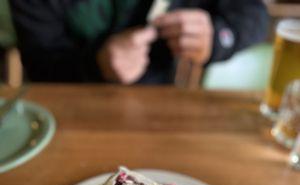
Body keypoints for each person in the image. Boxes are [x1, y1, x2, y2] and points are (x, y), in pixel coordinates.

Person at [9, 0, 269, 84]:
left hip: (158, 104)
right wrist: (96, 64)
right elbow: (39, 61)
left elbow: (254, 13)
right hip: (69, 105)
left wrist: (217, 37)